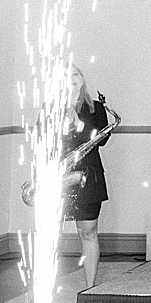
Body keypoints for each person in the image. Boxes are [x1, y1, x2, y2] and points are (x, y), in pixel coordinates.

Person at [61, 65, 117, 289]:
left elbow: (102, 140)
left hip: (88, 175)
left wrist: (79, 123)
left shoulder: (95, 108)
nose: (72, 79)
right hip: (60, 176)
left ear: (82, 79)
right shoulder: (50, 107)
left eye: (75, 74)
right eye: (66, 76)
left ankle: (90, 287)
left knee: (88, 231)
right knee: (50, 237)